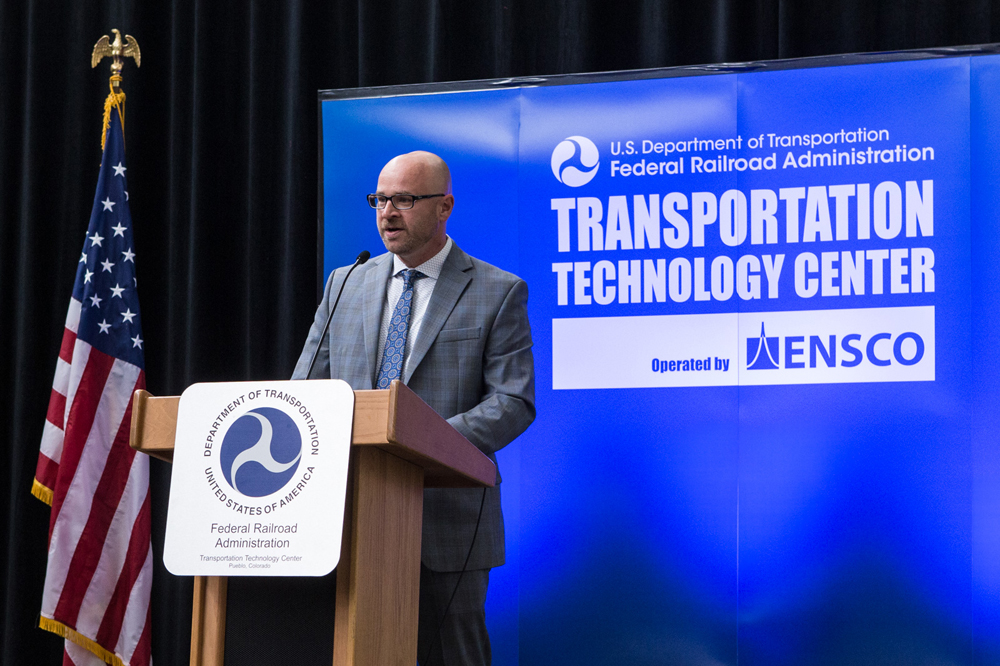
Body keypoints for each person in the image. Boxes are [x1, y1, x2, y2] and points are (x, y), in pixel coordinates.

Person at [292, 150, 535, 665]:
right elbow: (305, 391)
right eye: (380, 199)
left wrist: (422, 442)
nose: (388, 212)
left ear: (444, 206)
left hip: (448, 519)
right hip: (349, 513)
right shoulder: (345, 283)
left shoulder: (497, 290)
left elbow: (513, 401)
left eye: (405, 199)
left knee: (453, 655)